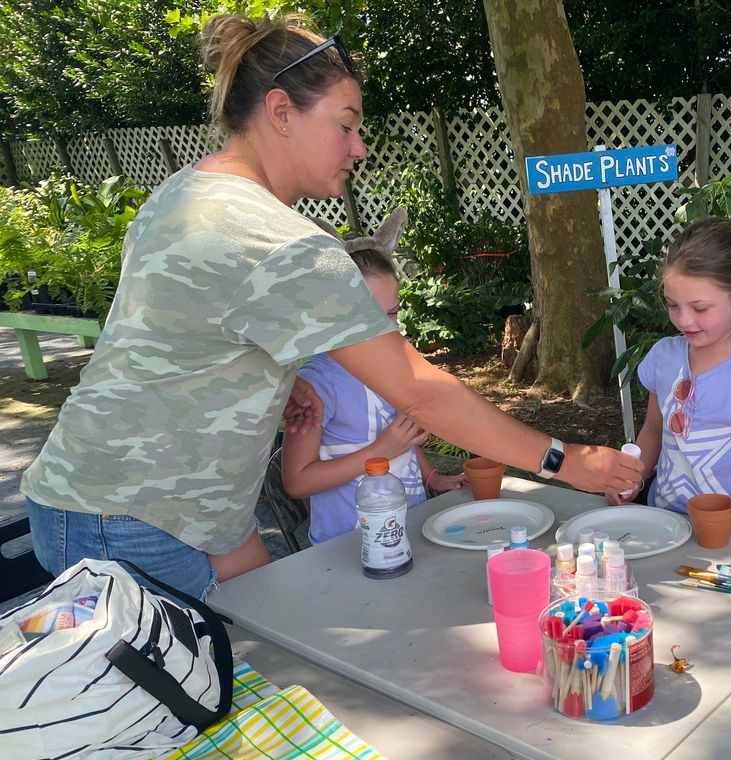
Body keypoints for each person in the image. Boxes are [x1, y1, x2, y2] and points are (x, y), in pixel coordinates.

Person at [20, 14, 639, 598]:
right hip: (136, 518)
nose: (359, 147)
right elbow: (421, 392)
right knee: (228, 685)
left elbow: (170, 337)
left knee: (281, 629)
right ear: (281, 112)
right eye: (346, 124)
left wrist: (274, 376)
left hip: (108, 494)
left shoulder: (180, 195)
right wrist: (565, 459)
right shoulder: (280, 242)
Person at [281, 210, 468, 545]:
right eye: (370, 316)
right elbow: (297, 482)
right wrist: (382, 449)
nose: (387, 328)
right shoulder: (317, 384)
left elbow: (401, 434)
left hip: (410, 527)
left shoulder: (392, 364)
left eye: (393, 312)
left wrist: (432, 476)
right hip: (346, 548)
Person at [607, 218, 731, 531]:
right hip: (665, 525)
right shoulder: (663, 356)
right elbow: (654, 429)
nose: (684, 320)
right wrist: (633, 477)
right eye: (673, 305)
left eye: (700, 308)